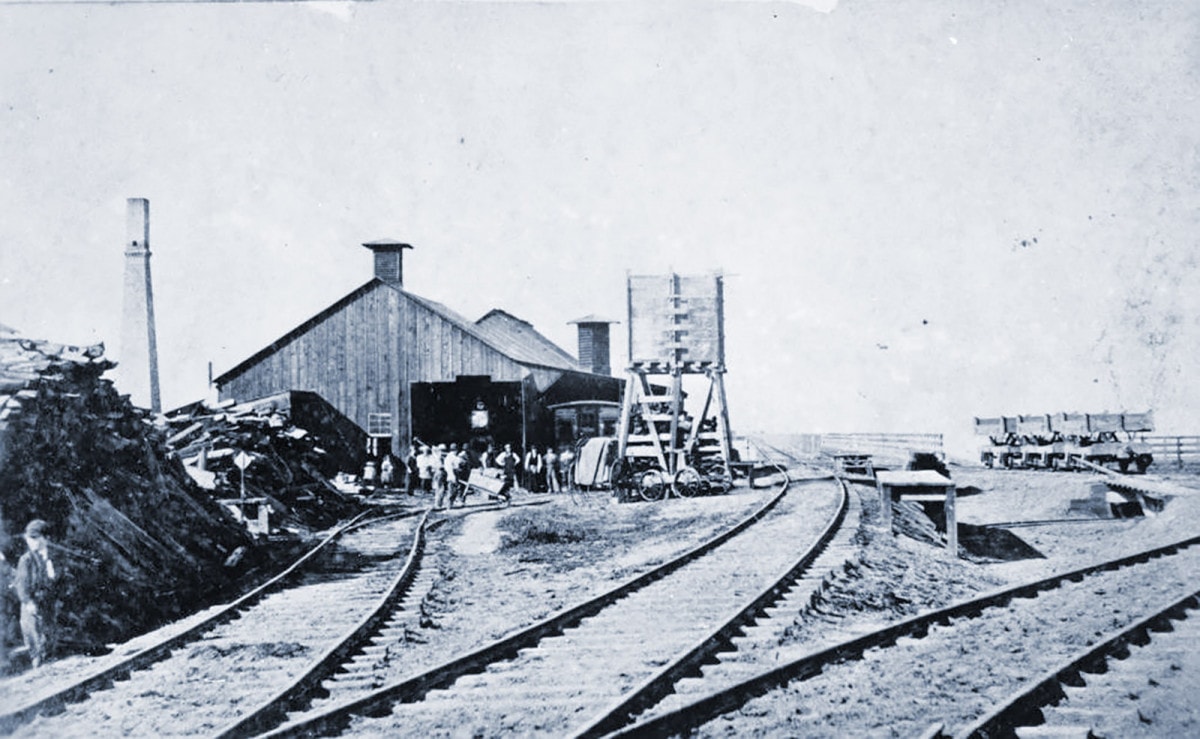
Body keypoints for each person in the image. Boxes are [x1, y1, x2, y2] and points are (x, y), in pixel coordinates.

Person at [15, 520, 57, 669]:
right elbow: (22, 584)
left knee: (49, 634)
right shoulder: (26, 560)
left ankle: (49, 660)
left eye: (35, 538)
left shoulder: (52, 556)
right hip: (31, 603)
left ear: (45, 538)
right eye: (29, 538)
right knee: (33, 634)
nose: (31, 542)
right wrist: (28, 602)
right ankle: (38, 662)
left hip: (47, 602)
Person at [432, 444, 448, 509]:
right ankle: (438, 504)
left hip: (438, 472)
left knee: (439, 488)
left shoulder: (438, 455)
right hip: (440, 472)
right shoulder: (440, 456)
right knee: (441, 488)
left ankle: (437, 503)